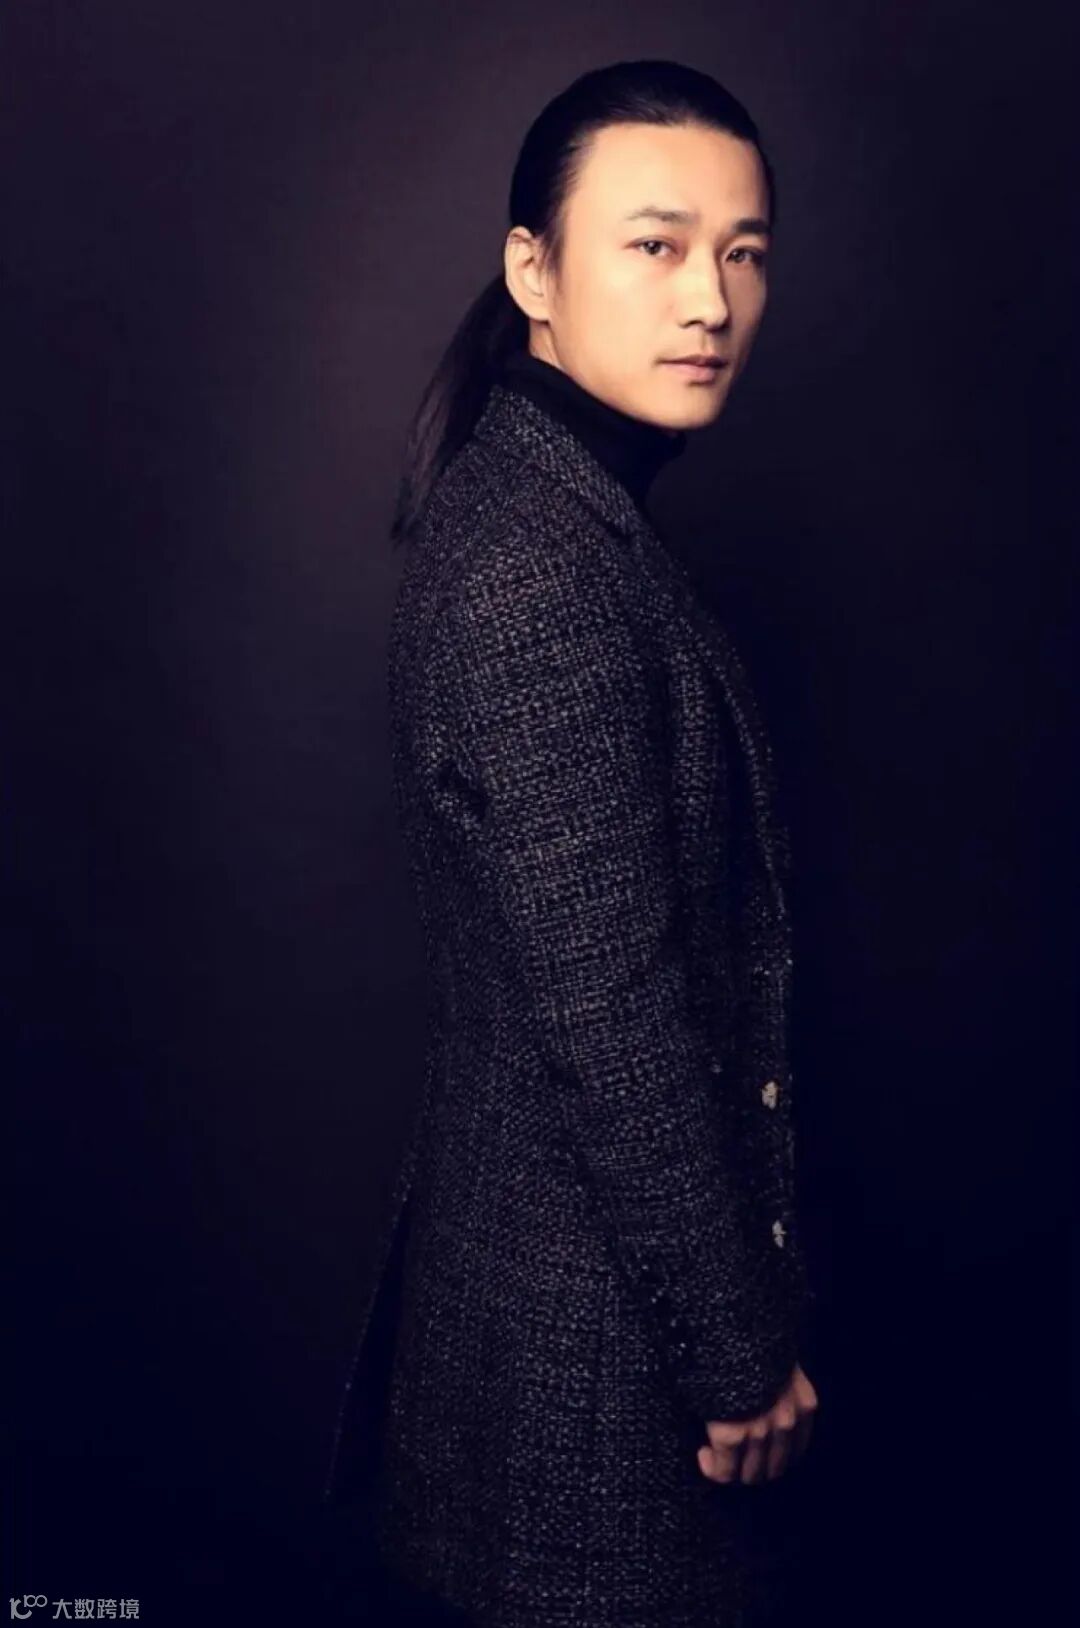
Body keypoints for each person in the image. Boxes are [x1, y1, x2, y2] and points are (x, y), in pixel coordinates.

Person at [323, 58, 820, 1628]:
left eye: (744, 252)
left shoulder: (566, 518)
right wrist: (739, 1359)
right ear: (532, 272)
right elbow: (618, 1019)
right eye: (657, 245)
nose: (712, 299)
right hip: (588, 1372)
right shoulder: (537, 568)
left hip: (574, 1332)